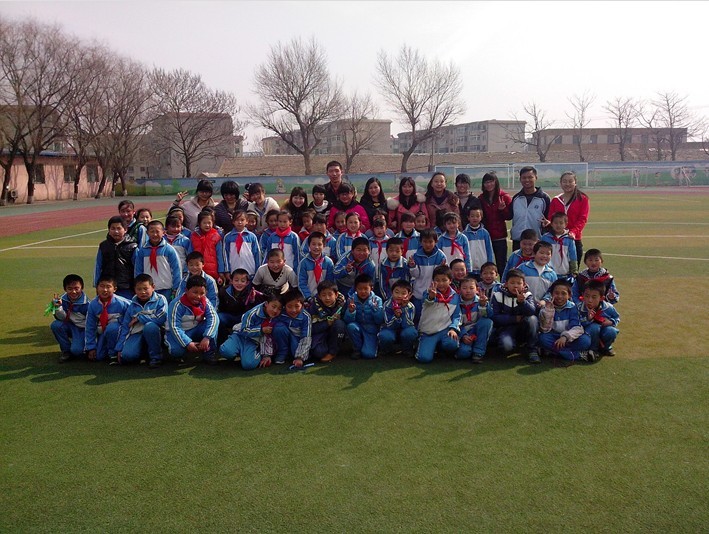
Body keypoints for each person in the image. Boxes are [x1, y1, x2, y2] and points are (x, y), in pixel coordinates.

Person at [114, 273, 168, 368]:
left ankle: (156, 357)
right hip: (137, 333)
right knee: (127, 356)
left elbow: (161, 318)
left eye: (146, 288)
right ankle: (143, 352)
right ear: (134, 290)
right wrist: (120, 348)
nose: (143, 292)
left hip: (156, 332)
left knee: (150, 326)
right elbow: (126, 327)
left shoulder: (160, 299)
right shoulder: (132, 305)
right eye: (139, 289)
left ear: (153, 287)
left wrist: (140, 318)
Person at [165, 275, 220, 364]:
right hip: (178, 332)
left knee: (213, 324)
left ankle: (209, 353)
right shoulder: (176, 304)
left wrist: (207, 337)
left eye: (202, 293)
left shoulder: (205, 300)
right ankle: (180, 351)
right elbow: (175, 327)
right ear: (186, 290)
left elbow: (214, 318)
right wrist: (187, 343)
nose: (198, 296)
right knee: (176, 352)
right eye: (195, 292)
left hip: (195, 328)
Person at [219, 293, 282, 369]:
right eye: (273, 306)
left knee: (248, 365)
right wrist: (261, 330)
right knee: (225, 351)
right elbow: (244, 329)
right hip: (239, 336)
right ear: (266, 304)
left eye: (279, 309)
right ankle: (239, 350)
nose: (275, 311)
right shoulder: (253, 313)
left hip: (253, 341)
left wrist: (266, 355)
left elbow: (268, 337)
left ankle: (255, 353)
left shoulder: (276, 317)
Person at [490, 268, 540, 363]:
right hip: (506, 328)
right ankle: (515, 344)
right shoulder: (498, 295)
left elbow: (532, 312)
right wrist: (514, 319)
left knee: (533, 319)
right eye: (512, 283)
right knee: (507, 347)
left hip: (523, 327)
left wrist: (522, 302)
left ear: (524, 284)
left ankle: (532, 349)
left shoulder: (527, 295)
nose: (515, 286)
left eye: (519, 283)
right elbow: (495, 317)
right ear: (506, 284)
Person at [538, 279, 592, 363]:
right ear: (551, 294)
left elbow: (577, 327)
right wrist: (548, 311)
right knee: (542, 338)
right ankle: (577, 355)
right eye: (556, 293)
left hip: (569, 338)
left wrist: (565, 337)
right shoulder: (547, 307)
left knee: (585, 340)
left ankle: (552, 352)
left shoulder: (573, 307)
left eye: (563, 293)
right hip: (554, 336)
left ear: (569, 295)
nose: (560, 296)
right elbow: (545, 329)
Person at [415, 265, 461, 363]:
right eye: (437, 280)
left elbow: (457, 315)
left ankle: (439, 348)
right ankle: (424, 344)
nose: (441, 283)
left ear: (450, 281)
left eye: (444, 280)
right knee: (424, 359)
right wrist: (431, 297)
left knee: (452, 344)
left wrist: (453, 329)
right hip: (428, 332)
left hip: (445, 330)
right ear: (433, 281)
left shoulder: (455, 296)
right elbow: (426, 302)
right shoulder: (428, 293)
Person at [84, 275, 131, 364]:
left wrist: (120, 346)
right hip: (103, 332)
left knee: (112, 328)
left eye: (108, 287)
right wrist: (91, 347)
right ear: (97, 288)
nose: (105, 290)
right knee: (99, 356)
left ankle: (114, 353)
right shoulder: (93, 305)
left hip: (120, 332)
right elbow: (90, 327)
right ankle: (108, 349)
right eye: (102, 286)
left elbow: (128, 323)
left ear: (115, 289)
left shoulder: (123, 303)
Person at [548, 171, 590, 262]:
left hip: (574, 239)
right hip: (556, 240)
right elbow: (551, 217)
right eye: (565, 181)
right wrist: (548, 223)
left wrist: (573, 232)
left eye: (570, 181)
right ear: (560, 183)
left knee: (573, 268)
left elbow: (582, 219)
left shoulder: (582, 199)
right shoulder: (556, 200)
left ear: (575, 183)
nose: (567, 184)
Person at [134, 220, 182, 300]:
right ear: (147, 233)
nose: (155, 234)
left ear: (163, 232)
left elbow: (177, 269)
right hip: (148, 290)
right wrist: (139, 286)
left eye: (157, 231)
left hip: (167, 289)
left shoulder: (169, 249)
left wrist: (176, 288)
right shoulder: (142, 251)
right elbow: (138, 270)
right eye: (152, 231)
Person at [94, 216, 138, 300]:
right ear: (109, 230)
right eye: (113, 228)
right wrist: (97, 285)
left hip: (126, 288)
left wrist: (137, 285)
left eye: (119, 228)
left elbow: (137, 268)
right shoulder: (104, 246)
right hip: (107, 287)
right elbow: (98, 267)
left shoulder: (132, 247)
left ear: (125, 229)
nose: (116, 231)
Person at [217, 268, 265, 343]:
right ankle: (224, 339)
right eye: (236, 280)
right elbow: (220, 307)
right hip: (229, 316)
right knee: (219, 317)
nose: (239, 283)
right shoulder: (224, 291)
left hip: (243, 318)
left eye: (243, 281)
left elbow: (253, 311)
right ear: (231, 281)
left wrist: (252, 301)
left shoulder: (251, 292)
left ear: (247, 283)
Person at [478, 171, 513, 275]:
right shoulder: (481, 198)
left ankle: (503, 283)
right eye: (486, 182)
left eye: (491, 181)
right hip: (485, 236)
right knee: (485, 263)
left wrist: (502, 209)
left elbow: (509, 216)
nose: (489, 184)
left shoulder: (504, 197)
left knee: (501, 264)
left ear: (496, 182)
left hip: (499, 236)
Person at [409, 228, 447, 322]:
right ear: (420, 242)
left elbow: (442, 275)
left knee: (432, 318)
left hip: (435, 292)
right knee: (418, 317)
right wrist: (412, 266)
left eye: (430, 242)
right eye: (425, 242)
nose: (428, 244)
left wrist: (443, 269)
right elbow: (415, 275)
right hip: (418, 292)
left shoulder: (441, 256)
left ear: (436, 241)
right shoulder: (416, 256)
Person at [50, 274, 90, 363]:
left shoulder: (87, 304)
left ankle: (84, 346)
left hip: (82, 329)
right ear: (65, 289)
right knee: (56, 325)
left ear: (82, 288)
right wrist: (57, 307)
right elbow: (61, 318)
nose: (73, 292)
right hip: (70, 325)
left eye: (76, 288)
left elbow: (91, 325)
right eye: (70, 289)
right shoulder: (62, 299)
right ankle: (66, 351)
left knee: (77, 351)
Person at [344, 273, 384, 359]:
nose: (363, 291)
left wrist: (375, 310)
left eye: (366, 289)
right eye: (360, 289)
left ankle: (373, 344)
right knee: (351, 326)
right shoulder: (351, 299)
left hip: (371, 330)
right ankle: (357, 349)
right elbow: (347, 321)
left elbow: (380, 320)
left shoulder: (377, 300)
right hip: (358, 327)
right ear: (355, 289)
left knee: (369, 355)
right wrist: (351, 311)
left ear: (371, 288)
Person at [509, 166, 551, 250]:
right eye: (524, 178)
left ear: (536, 178)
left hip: (537, 241)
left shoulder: (544, 198)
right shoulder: (516, 198)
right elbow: (510, 216)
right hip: (518, 241)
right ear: (520, 179)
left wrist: (548, 224)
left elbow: (549, 219)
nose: (527, 180)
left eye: (530, 177)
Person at [577, 280, 620, 359]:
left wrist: (611, 322)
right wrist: (588, 319)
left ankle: (605, 348)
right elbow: (576, 324)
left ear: (601, 298)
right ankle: (593, 350)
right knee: (594, 327)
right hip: (587, 334)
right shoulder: (578, 308)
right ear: (582, 295)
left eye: (594, 297)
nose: (590, 300)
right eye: (587, 296)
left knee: (611, 331)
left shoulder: (608, 307)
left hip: (603, 331)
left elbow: (616, 317)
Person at [307, 280, 346, 363]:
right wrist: (327, 323)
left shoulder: (343, 303)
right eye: (324, 295)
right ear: (319, 296)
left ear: (336, 295)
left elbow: (349, 321)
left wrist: (351, 312)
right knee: (319, 353)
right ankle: (325, 348)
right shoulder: (313, 307)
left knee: (339, 324)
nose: (327, 298)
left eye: (330, 294)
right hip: (320, 334)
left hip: (336, 332)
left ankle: (333, 352)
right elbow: (310, 329)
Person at [456, 276, 494, 363]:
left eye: (471, 288)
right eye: (464, 288)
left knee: (486, 322)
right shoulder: (456, 302)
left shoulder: (481, 300)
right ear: (459, 290)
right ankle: (466, 348)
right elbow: (455, 321)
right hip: (464, 331)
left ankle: (478, 352)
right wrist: (463, 335)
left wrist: (483, 305)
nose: (468, 291)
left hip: (477, 330)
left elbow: (490, 315)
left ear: (477, 289)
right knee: (463, 353)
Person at [272, 288, 312, 366]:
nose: (293, 310)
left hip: (297, 339)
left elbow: (306, 337)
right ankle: (282, 353)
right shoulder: (281, 313)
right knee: (279, 328)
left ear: (302, 306)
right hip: (284, 337)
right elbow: (271, 327)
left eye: (297, 306)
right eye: (289, 306)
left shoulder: (306, 317)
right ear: (284, 306)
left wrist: (300, 357)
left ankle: (295, 354)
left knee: (295, 354)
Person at [218, 209, 261, 282]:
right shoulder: (228, 237)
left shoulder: (252, 236)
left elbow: (257, 253)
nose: (240, 222)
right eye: (237, 220)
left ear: (246, 221)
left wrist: (258, 269)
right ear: (233, 222)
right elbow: (225, 255)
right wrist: (227, 270)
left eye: (242, 220)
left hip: (250, 270)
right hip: (234, 269)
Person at [378, 279, 417, 357]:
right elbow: (389, 324)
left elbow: (408, 324)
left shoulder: (411, 306)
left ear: (408, 294)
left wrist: (404, 308)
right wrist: (396, 317)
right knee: (386, 336)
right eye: (396, 292)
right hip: (390, 329)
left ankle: (407, 350)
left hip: (404, 328)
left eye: (403, 293)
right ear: (392, 292)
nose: (399, 296)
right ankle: (386, 350)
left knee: (410, 332)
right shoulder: (387, 305)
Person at [517, 241, 558, 306]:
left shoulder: (552, 274)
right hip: (523, 305)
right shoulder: (523, 268)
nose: (544, 256)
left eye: (548, 254)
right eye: (541, 253)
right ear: (534, 253)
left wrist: (544, 300)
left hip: (543, 307)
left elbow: (552, 291)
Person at [541, 212, 578, 280]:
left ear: (566, 224)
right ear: (551, 224)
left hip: (564, 272)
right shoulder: (545, 237)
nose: (558, 225)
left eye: (561, 223)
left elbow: (573, 255)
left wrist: (574, 270)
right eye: (555, 223)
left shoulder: (569, 239)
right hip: (548, 272)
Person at [298, 232, 335, 299]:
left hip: (324, 298)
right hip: (308, 298)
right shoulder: (303, 263)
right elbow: (302, 283)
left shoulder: (328, 262)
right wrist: (308, 298)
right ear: (309, 245)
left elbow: (330, 282)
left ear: (324, 245)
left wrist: (324, 297)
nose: (316, 247)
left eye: (319, 244)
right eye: (313, 244)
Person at [190, 210, 222, 280]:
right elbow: (190, 253)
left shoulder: (216, 236)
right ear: (199, 223)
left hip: (213, 272)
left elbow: (220, 255)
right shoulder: (194, 236)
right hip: (197, 271)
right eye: (204, 223)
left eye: (209, 223)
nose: (207, 225)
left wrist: (221, 271)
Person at [462, 207, 494, 278]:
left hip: (483, 268)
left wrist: (490, 264)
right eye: (472, 216)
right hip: (469, 269)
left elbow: (489, 249)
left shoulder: (485, 233)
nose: (475, 218)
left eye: (477, 216)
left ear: (481, 217)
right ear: (468, 217)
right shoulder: (464, 234)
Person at [378, 237, 411, 301]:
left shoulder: (405, 264)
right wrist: (388, 299)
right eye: (391, 251)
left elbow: (406, 283)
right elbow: (382, 284)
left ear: (402, 251)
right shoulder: (383, 264)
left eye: (397, 251)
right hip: (388, 297)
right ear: (386, 251)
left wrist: (403, 297)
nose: (394, 254)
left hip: (402, 297)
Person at [368, 219, 390, 291]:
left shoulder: (390, 242)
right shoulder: (370, 242)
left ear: (386, 229)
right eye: (377, 228)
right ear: (373, 230)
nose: (379, 230)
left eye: (381, 228)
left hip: (386, 274)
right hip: (373, 274)